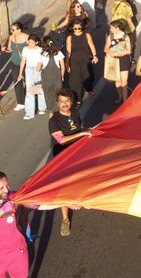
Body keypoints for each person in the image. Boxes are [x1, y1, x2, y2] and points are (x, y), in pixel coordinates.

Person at [48, 89, 93, 236]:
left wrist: (88, 130)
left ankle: (81, 198)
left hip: (77, 153)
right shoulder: (54, 120)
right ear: (57, 103)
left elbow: (80, 128)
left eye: (67, 101)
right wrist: (81, 133)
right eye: (61, 102)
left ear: (71, 102)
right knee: (64, 187)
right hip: (63, 157)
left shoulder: (75, 113)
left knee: (81, 178)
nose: (64, 104)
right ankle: (65, 219)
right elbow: (61, 140)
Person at [65, 19, 98, 106]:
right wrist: (67, 64)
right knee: (76, 81)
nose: (77, 30)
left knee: (87, 77)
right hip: (74, 61)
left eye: (79, 28)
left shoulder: (87, 35)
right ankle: (78, 99)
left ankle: (89, 90)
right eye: (75, 28)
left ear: (82, 27)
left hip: (86, 60)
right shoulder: (70, 37)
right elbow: (68, 51)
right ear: (72, 28)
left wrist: (94, 56)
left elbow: (91, 45)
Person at [17, 34, 47, 120]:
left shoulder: (40, 50)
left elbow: (42, 61)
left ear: (36, 42)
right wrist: (20, 73)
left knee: (39, 89)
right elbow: (23, 61)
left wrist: (39, 67)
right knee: (29, 90)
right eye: (29, 42)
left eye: (32, 42)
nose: (30, 44)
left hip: (38, 69)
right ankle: (30, 113)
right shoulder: (25, 49)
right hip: (29, 69)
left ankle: (42, 107)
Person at [104, 20, 132, 104]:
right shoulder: (110, 36)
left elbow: (129, 50)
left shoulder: (125, 37)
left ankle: (125, 101)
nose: (110, 29)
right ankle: (120, 96)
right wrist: (111, 53)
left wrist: (120, 53)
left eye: (112, 28)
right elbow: (105, 49)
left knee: (124, 81)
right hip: (114, 60)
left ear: (118, 28)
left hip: (124, 60)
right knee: (117, 80)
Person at [4, 22, 29, 112]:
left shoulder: (26, 37)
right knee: (17, 82)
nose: (11, 31)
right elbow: (10, 49)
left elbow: (33, 48)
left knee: (29, 81)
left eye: (13, 29)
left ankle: (32, 97)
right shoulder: (11, 37)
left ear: (19, 30)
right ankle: (20, 103)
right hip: (14, 63)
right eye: (11, 29)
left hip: (26, 63)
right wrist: (5, 49)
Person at [39, 38, 65, 114]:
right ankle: (59, 111)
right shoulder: (58, 53)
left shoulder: (42, 54)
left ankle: (51, 113)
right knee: (58, 95)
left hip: (46, 79)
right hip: (57, 78)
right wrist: (62, 76)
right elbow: (62, 67)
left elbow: (39, 67)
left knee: (48, 96)